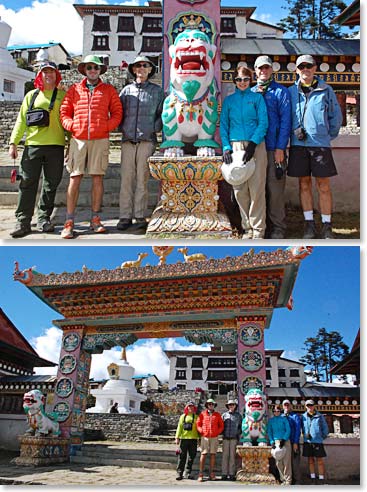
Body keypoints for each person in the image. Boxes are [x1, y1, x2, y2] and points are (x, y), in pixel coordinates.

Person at [60, 55, 122, 239]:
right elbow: (64, 112)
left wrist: (105, 127)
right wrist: (73, 126)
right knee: (75, 178)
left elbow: (117, 113)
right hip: (78, 140)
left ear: (100, 70)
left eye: (96, 68)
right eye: (89, 68)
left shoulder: (109, 90)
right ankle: (69, 221)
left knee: (97, 179)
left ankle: (95, 219)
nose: (93, 70)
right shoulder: (74, 90)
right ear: (84, 70)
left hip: (100, 138)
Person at [8, 61, 67, 238]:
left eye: (52, 72)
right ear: (40, 75)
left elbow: (68, 120)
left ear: (57, 75)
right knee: (27, 183)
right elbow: (21, 120)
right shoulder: (31, 96)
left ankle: (44, 218)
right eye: (45, 72)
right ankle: (23, 221)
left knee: (51, 184)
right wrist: (13, 143)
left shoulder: (62, 95)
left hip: (56, 145)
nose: (48, 75)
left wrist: (71, 143)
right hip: (32, 145)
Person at [288, 55, 342, 239]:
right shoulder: (290, 92)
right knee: (304, 184)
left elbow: (336, 118)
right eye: (301, 66)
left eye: (308, 66)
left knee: (323, 185)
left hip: (320, 145)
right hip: (298, 145)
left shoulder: (326, 90)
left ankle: (327, 225)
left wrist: (325, 135)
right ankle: (309, 224)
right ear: (296, 70)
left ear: (315, 68)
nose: (305, 69)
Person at [220, 65, 268, 239]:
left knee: (256, 189)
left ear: (250, 80)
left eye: (246, 79)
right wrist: (226, 147)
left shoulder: (257, 99)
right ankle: (246, 227)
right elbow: (224, 125)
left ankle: (258, 229)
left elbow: (263, 122)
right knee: (239, 189)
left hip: (255, 146)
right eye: (239, 79)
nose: (242, 82)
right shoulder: (229, 101)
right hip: (235, 146)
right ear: (235, 81)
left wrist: (254, 143)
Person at [116, 56, 164, 233]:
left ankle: (139, 215)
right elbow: (118, 110)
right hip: (128, 140)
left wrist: (154, 128)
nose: (141, 68)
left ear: (150, 69)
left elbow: (162, 113)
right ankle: (124, 216)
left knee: (142, 180)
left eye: (145, 66)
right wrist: (122, 128)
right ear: (133, 69)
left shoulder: (157, 92)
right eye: (138, 66)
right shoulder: (126, 91)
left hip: (147, 140)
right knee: (126, 179)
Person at [252, 55, 291, 239]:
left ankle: (278, 227)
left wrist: (280, 148)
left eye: (266, 68)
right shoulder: (250, 93)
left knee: (275, 189)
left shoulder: (281, 92)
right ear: (255, 71)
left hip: (274, 148)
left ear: (272, 70)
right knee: (257, 189)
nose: (263, 71)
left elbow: (285, 122)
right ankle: (260, 226)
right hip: (255, 149)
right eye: (260, 68)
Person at [196, 398, 224, 482]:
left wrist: (217, 432)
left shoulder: (217, 415)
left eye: (212, 404)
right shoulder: (202, 414)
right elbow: (198, 424)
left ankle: (211, 473)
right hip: (205, 437)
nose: (211, 405)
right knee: (203, 454)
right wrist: (202, 431)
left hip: (214, 437)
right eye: (209, 404)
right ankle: (200, 474)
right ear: (207, 405)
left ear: (214, 405)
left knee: (213, 455)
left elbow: (221, 426)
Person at [302, 399, 329, 484]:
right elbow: (302, 427)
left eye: (311, 405)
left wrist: (321, 437)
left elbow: (325, 428)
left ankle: (321, 478)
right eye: (308, 405)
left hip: (317, 441)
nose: (310, 407)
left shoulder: (319, 416)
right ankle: (312, 477)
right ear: (305, 407)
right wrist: (304, 434)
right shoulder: (303, 417)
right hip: (308, 441)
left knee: (319, 460)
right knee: (310, 460)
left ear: (314, 406)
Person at [174, 401, 200, 480]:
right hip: (184, 439)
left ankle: (188, 472)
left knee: (191, 457)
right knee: (182, 456)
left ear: (194, 408)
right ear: (186, 407)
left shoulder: (196, 417)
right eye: (189, 406)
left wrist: (200, 438)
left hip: (193, 439)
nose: (190, 408)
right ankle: (179, 473)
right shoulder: (183, 416)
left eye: (192, 406)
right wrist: (177, 437)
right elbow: (180, 427)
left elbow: (199, 428)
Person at [267, 404, 292, 485]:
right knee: (278, 462)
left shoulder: (284, 419)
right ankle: (282, 479)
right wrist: (271, 442)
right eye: (274, 411)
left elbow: (288, 429)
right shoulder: (271, 420)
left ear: (280, 411)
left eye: (278, 411)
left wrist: (284, 439)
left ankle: (288, 480)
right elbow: (269, 432)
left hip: (285, 441)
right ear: (273, 412)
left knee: (286, 462)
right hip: (276, 442)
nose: (276, 412)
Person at [281, 399, 301, 484]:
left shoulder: (295, 416)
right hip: (284, 442)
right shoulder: (281, 416)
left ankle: (297, 480)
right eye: (285, 405)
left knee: (294, 462)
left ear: (291, 406)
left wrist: (296, 442)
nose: (286, 406)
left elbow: (297, 430)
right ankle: (286, 479)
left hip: (293, 442)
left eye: (288, 405)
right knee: (285, 462)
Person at [221, 399, 241, 481]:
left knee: (232, 456)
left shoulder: (238, 416)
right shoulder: (224, 415)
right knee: (225, 456)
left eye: (232, 405)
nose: (231, 406)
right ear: (227, 406)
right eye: (229, 405)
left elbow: (240, 426)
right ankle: (224, 473)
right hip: (225, 438)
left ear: (235, 406)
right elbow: (221, 425)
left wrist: (237, 433)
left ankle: (232, 473)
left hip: (233, 438)